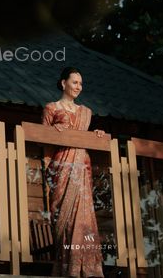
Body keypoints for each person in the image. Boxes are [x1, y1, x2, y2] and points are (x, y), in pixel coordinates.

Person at [42, 66, 105, 278]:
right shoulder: (51, 108)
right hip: (61, 167)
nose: (79, 87)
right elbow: (44, 142)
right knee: (64, 218)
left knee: (84, 216)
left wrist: (95, 134)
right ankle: (67, 267)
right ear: (63, 83)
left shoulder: (86, 112)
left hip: (81, 167)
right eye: (75, 82)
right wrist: (53, 133)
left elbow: (84, 137)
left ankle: (87, 268)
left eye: (81, 83)